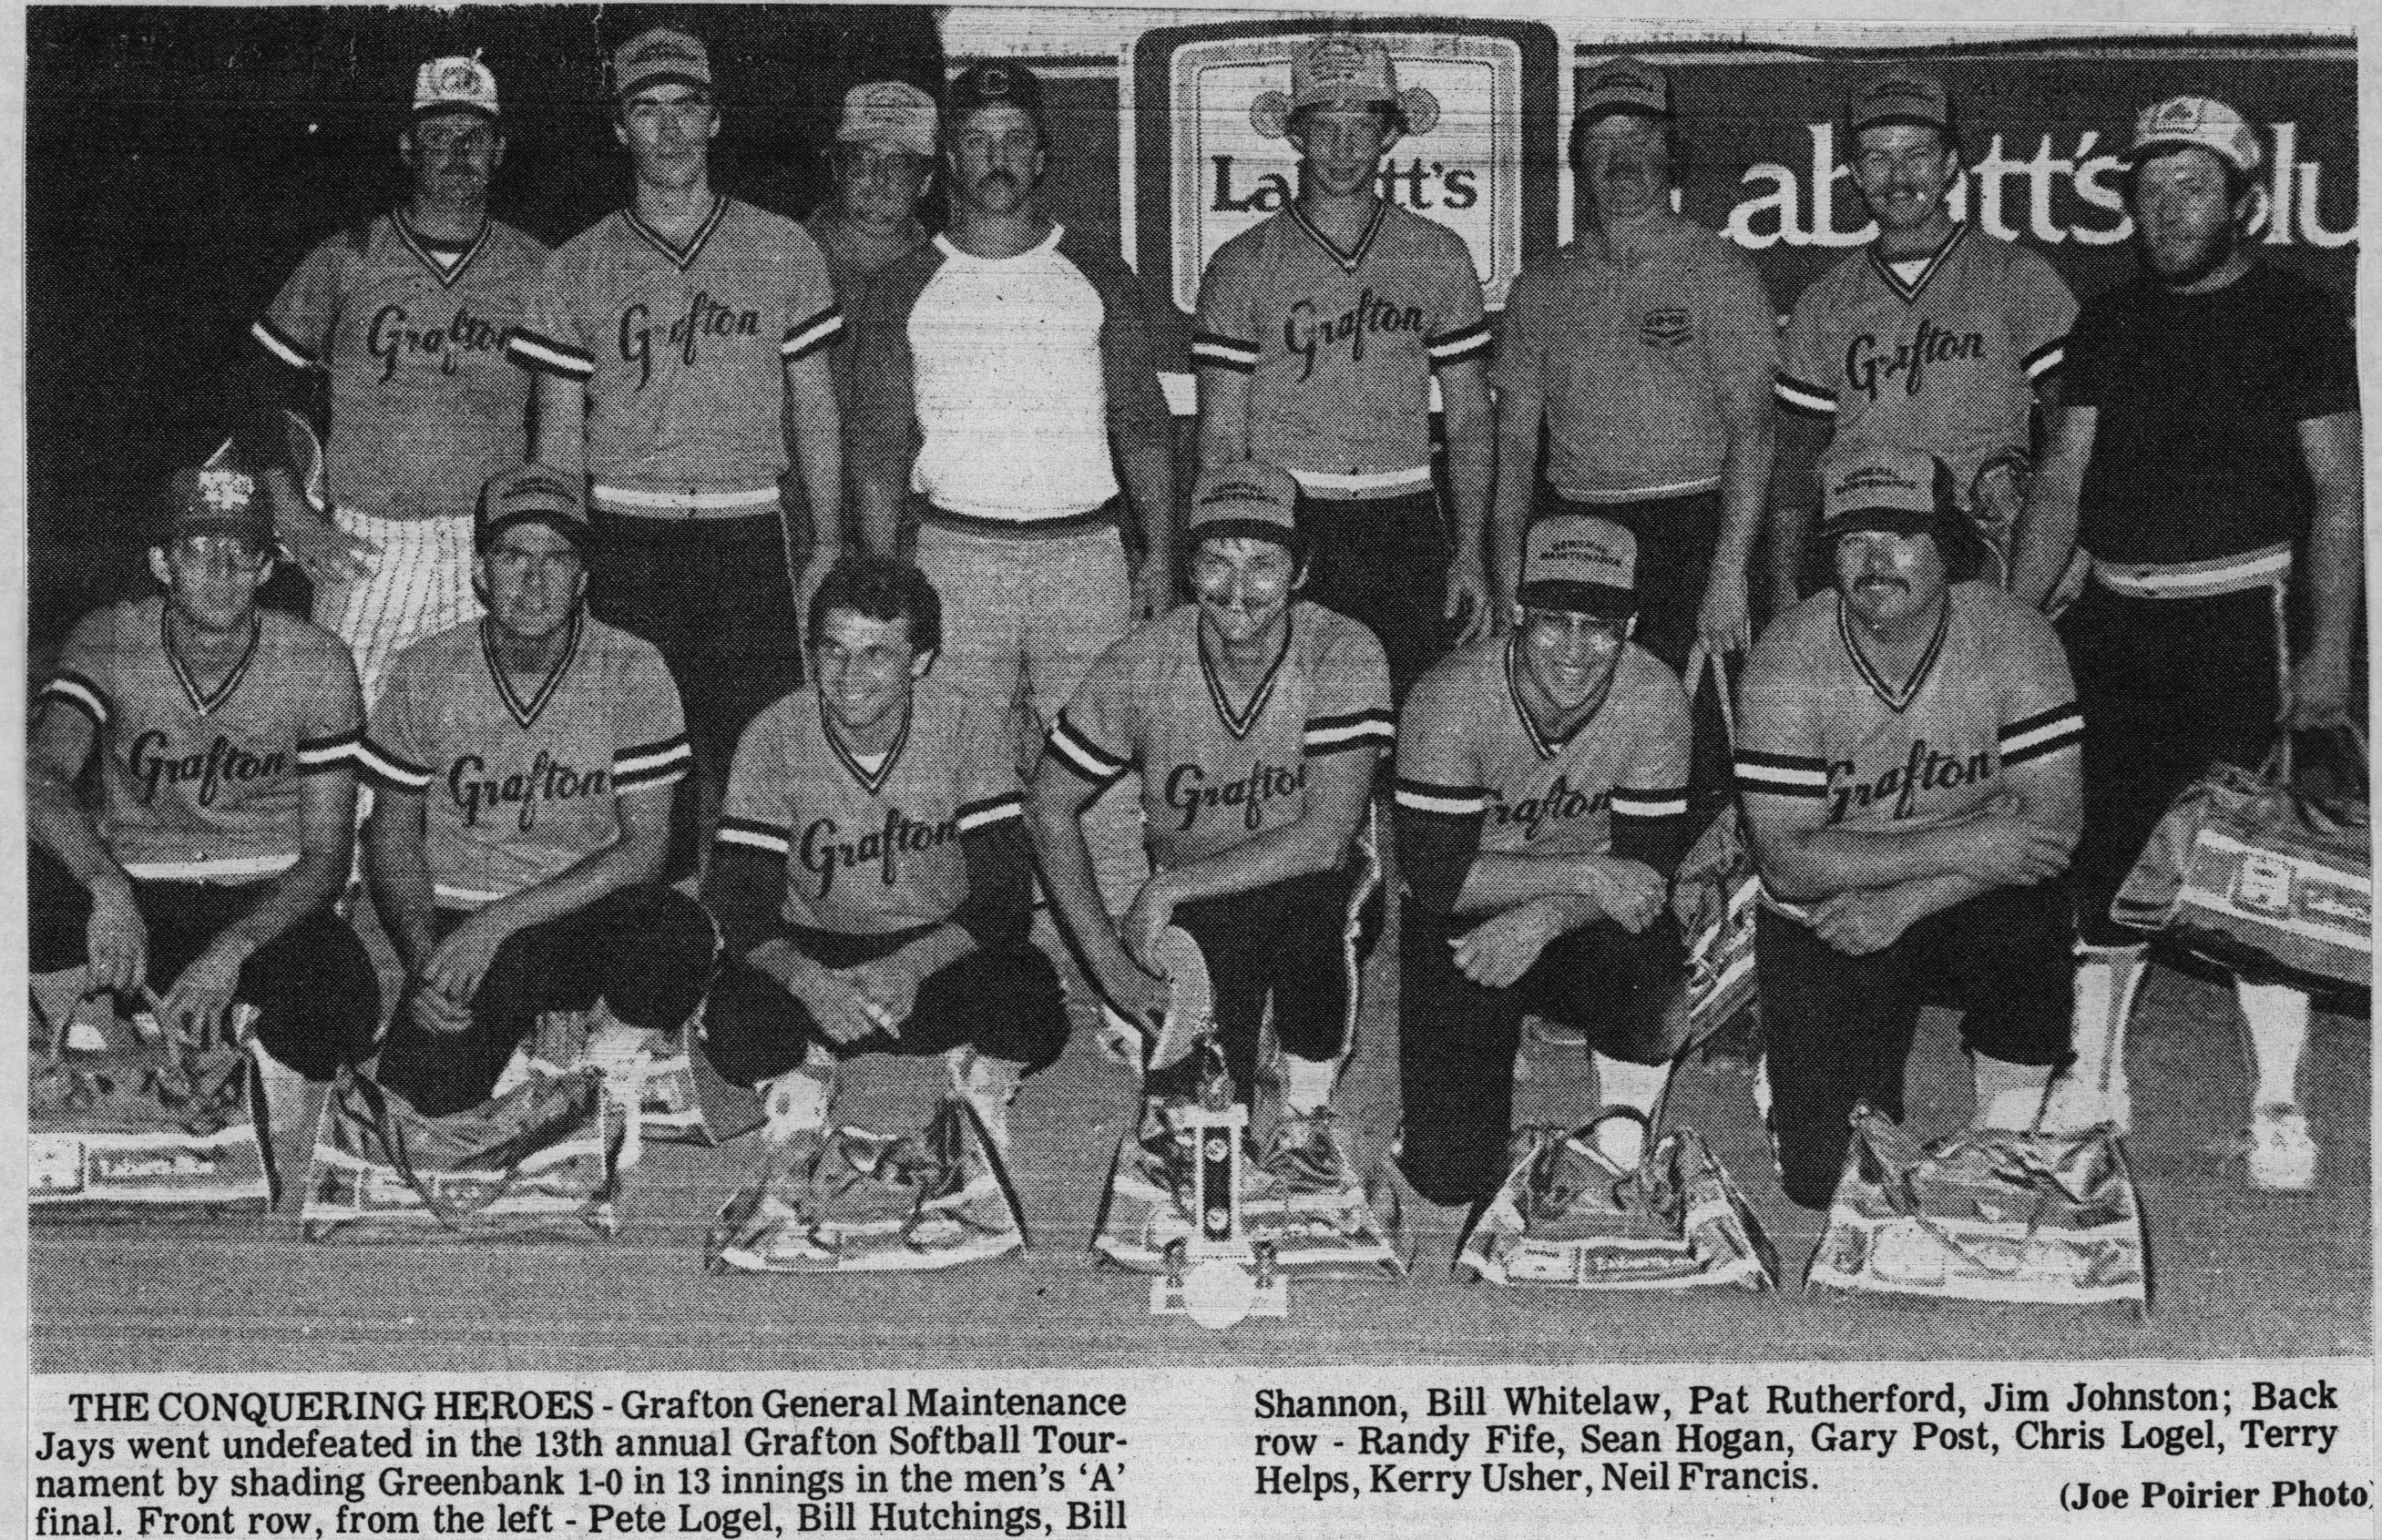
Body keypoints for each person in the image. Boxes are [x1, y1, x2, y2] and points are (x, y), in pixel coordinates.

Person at [2010, 97, 2362, 1188]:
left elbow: (2340, 495)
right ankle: (2094, 1080)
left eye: (2191, 187)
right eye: (2149, 189)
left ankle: (2275, 1102)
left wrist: (2325, 659)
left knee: (2257, 867)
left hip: (2241, 616)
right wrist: (2007, 629)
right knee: (2102, 854)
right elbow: (2061, 483)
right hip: (2114, 620)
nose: (2166, 210)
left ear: (2243, 201)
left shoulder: (2299, 318)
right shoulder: (2109, 321)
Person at [507, 26, 845, 865]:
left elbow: (815, 408)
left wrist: (828, 538)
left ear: (715, 121)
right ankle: (642, 953)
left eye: (685, 108)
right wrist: (560, 547)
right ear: (619, 129)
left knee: (752, 752)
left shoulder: (781, 247)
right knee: (632, 759)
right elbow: (557, 432)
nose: (667, 130)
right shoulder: (575, 265)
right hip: (627, 530)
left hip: (744, 528)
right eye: (645, 110)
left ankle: (743, 945)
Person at [1739, 447, 2083, 1209]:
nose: (1875, 561)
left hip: (1945, 897)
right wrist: (1966, 839)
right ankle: (1789, 1073)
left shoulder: (2012, 636)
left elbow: (2053, 827)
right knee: (1828, 1185)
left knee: (2031, 909)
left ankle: (2005, 1129)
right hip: (1827, 907)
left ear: (1945, 546)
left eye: (1901, 536)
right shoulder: (1786, 659)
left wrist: (1904, 901)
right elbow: (1790, 867)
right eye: (1853, 540)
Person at [29, 445, 378, 1190]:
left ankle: (225, 1044)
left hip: (259, 889)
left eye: (240, 551)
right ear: (161, 562)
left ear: (266, 566)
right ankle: (102, 1036)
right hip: (139, 885)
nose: (219, 568)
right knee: (24, 876)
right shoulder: (111, 634)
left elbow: (326, 855)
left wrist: (232, 951)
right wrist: (106, 887)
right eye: (197, 548)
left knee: (346, 999)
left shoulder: (316, 659)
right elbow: (41, 775)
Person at [1029, 461, 1393, 1176]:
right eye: (1215, 562)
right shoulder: (1143, 659)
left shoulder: (1343, 650)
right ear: (1188, 569)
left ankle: (1306, 1110)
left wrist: (1162, 891)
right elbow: (1047, 804)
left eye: (1263, 564)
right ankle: (1234, 1034)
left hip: (1315, 881)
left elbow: (1323, 840)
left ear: (1301, 570)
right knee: (1192, 1120)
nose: (1237, 589)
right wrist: (1107, 967)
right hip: (1202, 896)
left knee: (1308, 920)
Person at [359, 464, 716, 1117]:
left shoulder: (632, 666)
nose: (534, 580)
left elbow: (645, 850)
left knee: (678, 933)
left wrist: (500, 924)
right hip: (458, 917)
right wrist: (422, 962)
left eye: (557, 558)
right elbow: (389, 833)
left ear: (583, 577)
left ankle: (607, 1049)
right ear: (478, 571)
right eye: (512, 555)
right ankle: (524, 1037)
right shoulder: (424, 669)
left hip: (573, 916)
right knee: (421, 1101)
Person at [847, 61, 1176, 734]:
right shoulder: (903, 283)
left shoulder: (1098, 269)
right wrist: (886, 580)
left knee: (1101, 771)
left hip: (1086, 556)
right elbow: (877, 449)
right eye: (976, 140)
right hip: (954, 556)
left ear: (1041, 155)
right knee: (956, 769)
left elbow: (1142, 425)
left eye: (1015, 139)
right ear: (949, 158)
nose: (997, 159)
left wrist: (1163, 554)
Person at [700, 556, 1067, 1157]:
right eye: (834, 650)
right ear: (812, 651)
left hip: (933, 950)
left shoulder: (963, 726)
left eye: (877, 653)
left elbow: (1005, 895)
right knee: (737, 1022)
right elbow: (738, 899)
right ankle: (805, 1069)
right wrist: (809, 981)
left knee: (1030, 1003)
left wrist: (912, 965)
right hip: (817, 949)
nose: (849, 673)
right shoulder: (774, 733)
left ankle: (972, 1071)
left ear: (919, 659)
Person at [1391, 514, 1692, 1206]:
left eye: (1600, 626)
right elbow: (1437, 877)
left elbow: (1645, 869)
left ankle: (1623, 1138)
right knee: (1450, 1178)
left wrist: (1545, 917)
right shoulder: (1449, 697)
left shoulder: (1653, 696)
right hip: (1467, 909)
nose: (1575, 649)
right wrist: (1583, 872)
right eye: (1555, 621)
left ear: (1631, 627)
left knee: (1647, 943)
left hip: (1582, 916)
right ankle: (1477, 1063)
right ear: (1518, 615)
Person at [1192, 34, 1494, 698]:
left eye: (1361, 127)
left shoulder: (1437, 254)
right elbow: (1219, 431)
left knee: (1410, 713)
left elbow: (1470, 418)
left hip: (1405, 514)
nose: (1342, 148)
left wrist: (1469, 549)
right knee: (1291, 719)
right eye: (1323, 128)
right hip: (1289, 517)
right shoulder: (1242, 263)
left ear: (1389, 136)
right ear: (1295, 136)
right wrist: (1233, 551)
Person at [250, 55, 549, 707]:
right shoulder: (348, 255)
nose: (459, 151)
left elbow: (570, 411)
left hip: (491, 544)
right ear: (408, 145)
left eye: (475, 136)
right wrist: (292, 515)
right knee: (352, 748)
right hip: (368, 543)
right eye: (440, 135)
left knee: (476, 750)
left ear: (499, 151)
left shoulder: (538, 268)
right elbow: (254, 385)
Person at [1490, 56, 1775, 670]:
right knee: (1579, 718)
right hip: (1575, 523)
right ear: (1578, 156)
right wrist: (1506, 557)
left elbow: (1752, 432)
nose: (1621, 159)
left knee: (1693, 734)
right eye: (1601, 140)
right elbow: (1513, 443)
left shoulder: (1721, 273)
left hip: (1694, 524)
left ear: (1669, 151)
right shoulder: (1540, 285)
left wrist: (1728, 569)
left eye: (1640, 137)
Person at [1770, 67, 2077, 607]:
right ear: (1856, 175)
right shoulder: (1823, 301)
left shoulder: (2017, 276)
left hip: (1986, 555)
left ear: (1951, 166)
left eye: (1916, 155)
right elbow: (1795, 467)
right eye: (1877, 158)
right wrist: (1786, 593)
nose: (1898, 175)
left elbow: (2074, 433)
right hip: (1862, 558)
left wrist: (2070, 548)